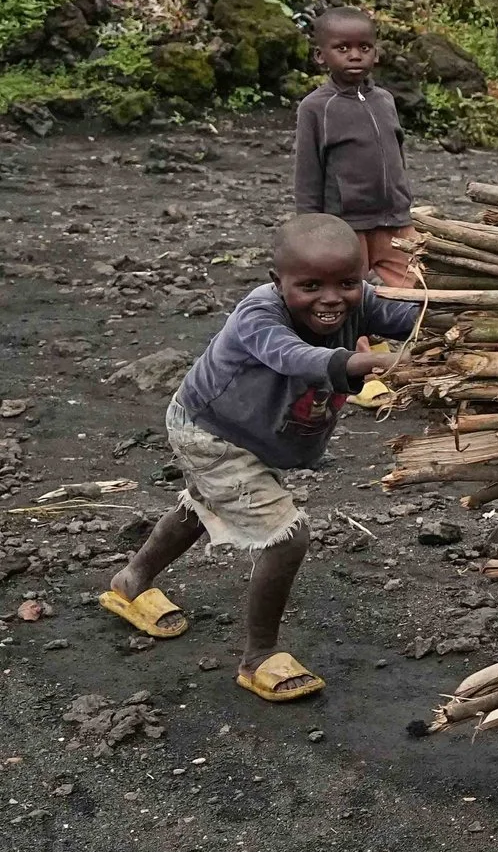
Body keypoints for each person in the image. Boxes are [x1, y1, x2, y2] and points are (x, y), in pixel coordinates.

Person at [99, 213, 418, 700]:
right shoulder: (258, 315)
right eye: (310, 285)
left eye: (347, 283)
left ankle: (130, 582)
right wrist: (364, 361)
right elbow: (293, 356)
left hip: (254, 436)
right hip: (210, 432)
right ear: (278, 281)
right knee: (286, 538)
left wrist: (457, 322)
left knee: (206, 504)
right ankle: (258, 657)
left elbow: (412, 318)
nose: (331, 298)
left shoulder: (358, 301)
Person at [293, 8, 416, 286]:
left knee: (416, 290)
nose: (355, 55)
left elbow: (397, 154)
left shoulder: (385, 100)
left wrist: (403, 200)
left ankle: (407, 331)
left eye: (364, 47)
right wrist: (310, 230)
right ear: (320, 56)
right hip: (346, 224)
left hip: (394, 221)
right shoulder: (315, 107)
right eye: (342, 48)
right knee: (347, 292)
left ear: (377, 53)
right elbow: (308, 174)